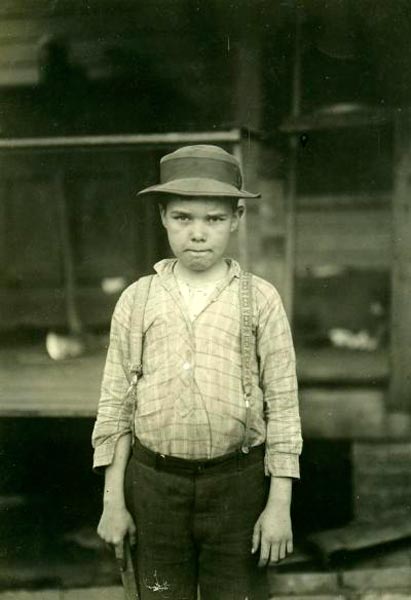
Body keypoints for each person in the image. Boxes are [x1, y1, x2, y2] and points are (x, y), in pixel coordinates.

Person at [92, 144, 303, 600]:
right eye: (184, 218)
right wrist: (114, 503)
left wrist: (278, 505)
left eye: (213, 219)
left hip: (237, 487)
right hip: (154, 488)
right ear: (163, 216)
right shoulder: (138, 299)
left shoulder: (260, 299)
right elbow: (116, 406)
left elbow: (284, 405)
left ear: (236, 219)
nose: (198, 234)